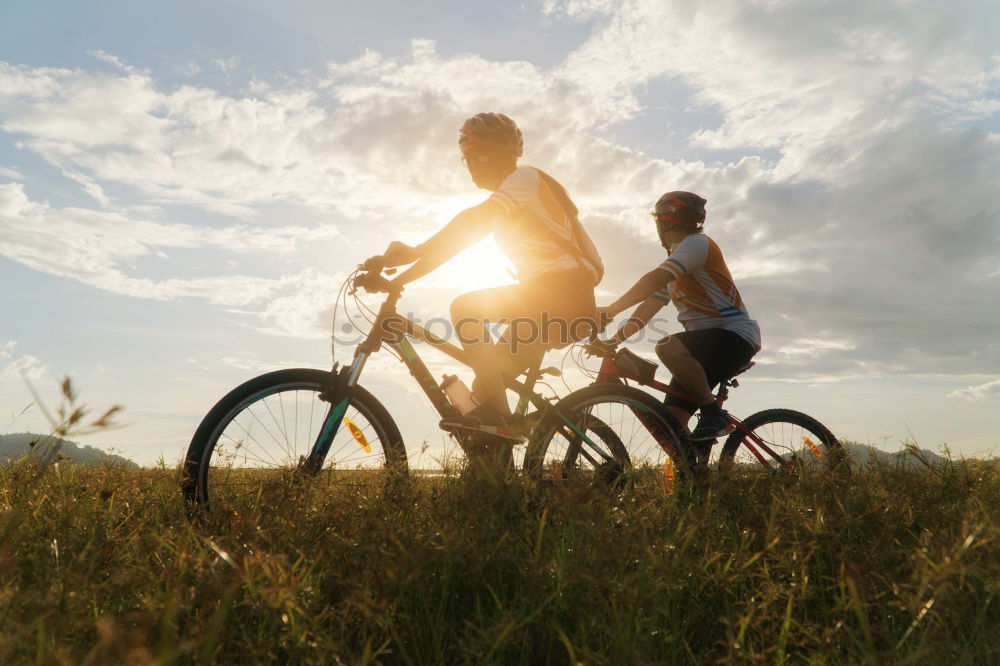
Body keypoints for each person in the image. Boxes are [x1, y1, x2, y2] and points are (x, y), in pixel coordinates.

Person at [374, 113, 603, 440]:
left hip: (563, 294)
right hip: (545, 303)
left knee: (467, 309)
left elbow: (474, 221)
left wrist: (414, 250)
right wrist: (400, 280)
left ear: (499, 156)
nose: (473, 167)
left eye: (479, 159)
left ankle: (499, 417)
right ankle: (494, 451)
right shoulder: (514, 196)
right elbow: (459, 242)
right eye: (469, 160)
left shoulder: (525, 179)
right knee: (485, 385)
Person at [596, 191, 761, 443]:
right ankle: (695, 474)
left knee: (667, 346)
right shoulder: (678, 260)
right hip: (706, 346)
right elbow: (646, 310)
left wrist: (611, 309)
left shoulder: (696, 244)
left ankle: (712, 414)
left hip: (734, 335)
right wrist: (613, 341)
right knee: (671, 423)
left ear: (662, 223)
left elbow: (654, 279)